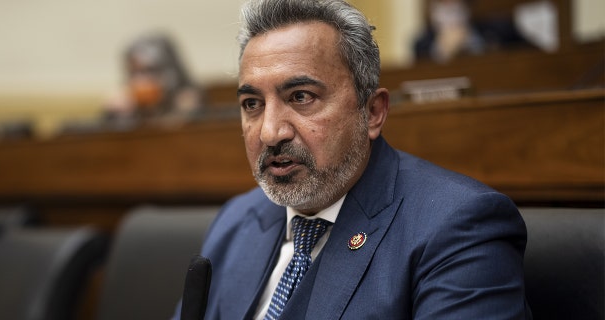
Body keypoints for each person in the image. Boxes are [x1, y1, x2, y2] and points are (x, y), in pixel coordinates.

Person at [174, 0, 531, 319]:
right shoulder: (235, 222)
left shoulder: (457, 227)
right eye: (252, 104)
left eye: (300, 96)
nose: (269, 133)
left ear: (373, 112)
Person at [103, 33, 203, 126]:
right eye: (133, 73)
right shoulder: (129, 107)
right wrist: (115, 115)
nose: (139, 80)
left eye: (148, 71)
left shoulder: (188, 101)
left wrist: (185, 114)